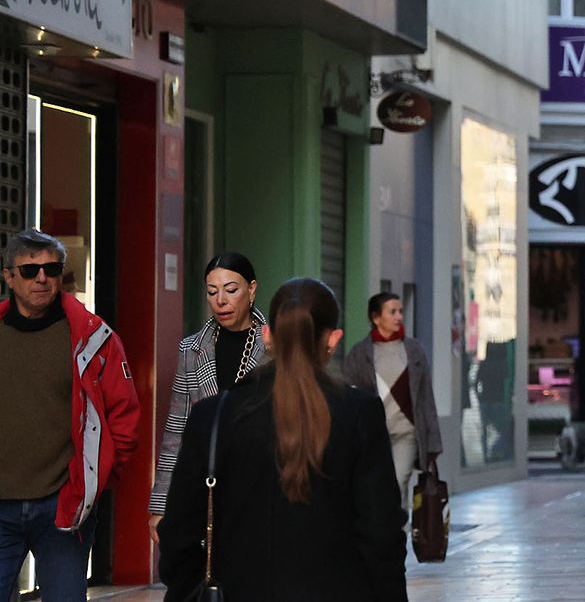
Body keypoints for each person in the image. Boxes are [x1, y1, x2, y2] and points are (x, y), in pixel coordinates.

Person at [158, 278, 406, 601]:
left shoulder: (214, 416)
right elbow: (381, 536)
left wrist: (189, 587)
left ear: (266, 336)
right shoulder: (360, 414)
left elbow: (178, 533)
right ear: (333, 340)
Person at [0, 229, 139, 602]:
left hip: (63, 506)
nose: (42, 278)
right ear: (9, 277)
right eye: (30, 271)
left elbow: (124, 417)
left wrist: (96, 480)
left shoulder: (93, 338)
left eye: (51, 269)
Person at [148, 252, 269, 541]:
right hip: (208, 487)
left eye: (231, 290)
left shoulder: (274, 346)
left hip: (262, 488)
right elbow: (177, 428)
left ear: (251, 289)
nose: (221, 301)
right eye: (212, 292)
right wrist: (161, 502)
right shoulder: (192, 350)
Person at [345, 292, 444, 513]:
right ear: (376, 317)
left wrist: (433, 440)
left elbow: (426, 396)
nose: (399, 316)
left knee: (398, 481)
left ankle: (398, 535)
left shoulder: (414, 350)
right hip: (374, 434)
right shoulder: (360, 354)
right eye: (392, 312)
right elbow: (350, 393)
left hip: (406, 432)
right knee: (374, 487)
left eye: (400, 311)